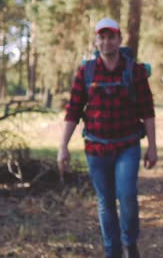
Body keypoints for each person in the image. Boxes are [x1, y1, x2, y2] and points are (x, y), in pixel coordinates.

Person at [58, 17, 157, 258]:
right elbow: (73, 110)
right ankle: (112, 251)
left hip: (127, 147)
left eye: (111, 36)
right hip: (95, 149)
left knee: (127, 196)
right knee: (106, 203)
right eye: (101, 37)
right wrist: (63, 146)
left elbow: (147, 111)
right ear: (96, 41)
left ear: (119, 39)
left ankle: (130, 243)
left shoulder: (134, 71)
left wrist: (152, 147)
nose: (106, 41)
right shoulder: (86, 71)